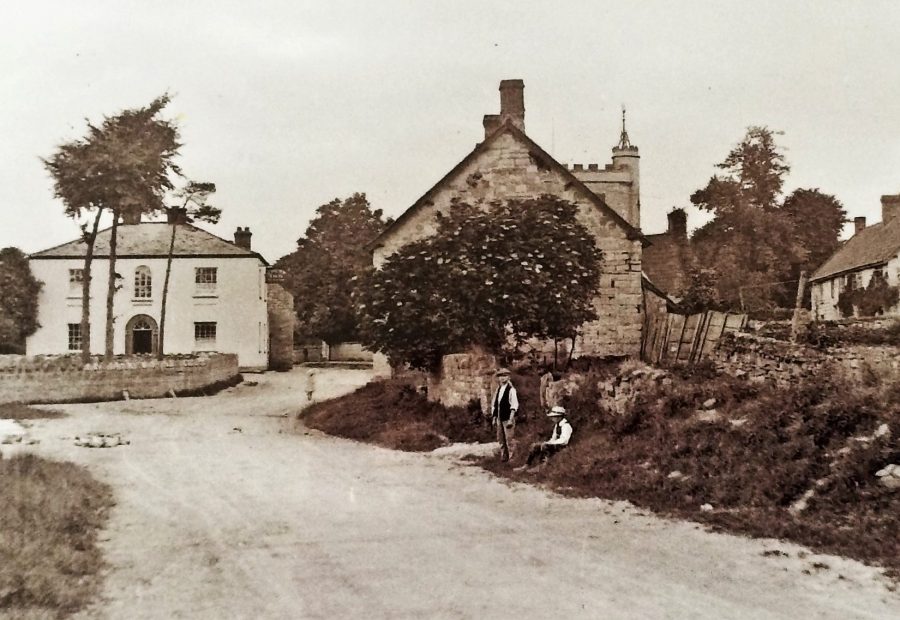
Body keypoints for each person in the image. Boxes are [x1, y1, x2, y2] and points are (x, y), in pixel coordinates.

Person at [490, 367, 518, 462]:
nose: (502, 378)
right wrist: (494, 417)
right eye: (500, 376)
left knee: (509, 438)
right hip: (499, 417)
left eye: (505, 375)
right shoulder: (498, 389)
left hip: (507, 417)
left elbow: (514, 405)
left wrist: (511, 419)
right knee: (501, 438)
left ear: (508, 377)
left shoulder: (511, 390)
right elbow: (495, 404)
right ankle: (504, 456)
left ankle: (512, 458)